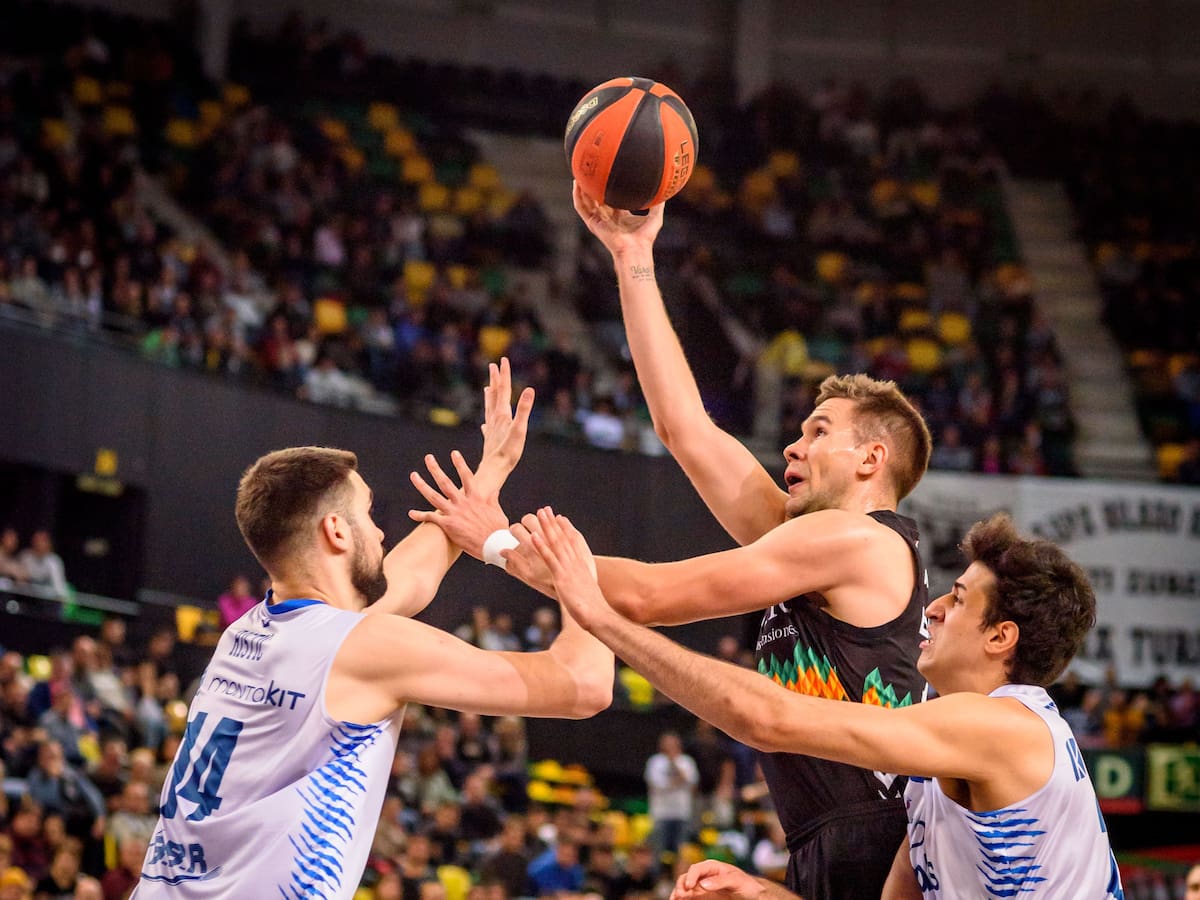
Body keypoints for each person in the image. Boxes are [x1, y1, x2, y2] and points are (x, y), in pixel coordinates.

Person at [412, 189, 933, 900]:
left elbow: (649, 597)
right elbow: (683, 427)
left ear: (872, 459)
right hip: (831, 834)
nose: (793, 445)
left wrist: (496, 543)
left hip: (877, 827)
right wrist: (633, 257)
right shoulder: (814, 542)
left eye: (818, 431)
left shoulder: (853, 539)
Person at [130, 362, 614, 899]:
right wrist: (580, 580)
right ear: (336, 531)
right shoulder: (364, 647)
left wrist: (493, 467)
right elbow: (585, 686)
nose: (382, 532)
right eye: (369, 513)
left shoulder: (250, 631)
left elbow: (408, 577)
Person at [514, 510, 1123, 900]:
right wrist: (762, 893)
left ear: (1000, 637)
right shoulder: (933, 778)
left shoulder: (1007, 726)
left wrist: (599, 616)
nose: (934, 608)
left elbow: (771, 718)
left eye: (959, 600)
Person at [644, 731, 699, 859]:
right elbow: (657, 785)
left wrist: (674, 763)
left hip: (682, 813)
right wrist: (678, 782)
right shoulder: (655, 761)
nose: (670, 746)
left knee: (682, 852)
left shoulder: (686, 761)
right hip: (661, 813)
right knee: (657, 851)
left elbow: (692, 782)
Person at [19, 531, 68, 599]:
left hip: (48, 599)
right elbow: (20, 578)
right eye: (36, 540)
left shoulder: (54, 561)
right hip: (28, 596)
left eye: (42, 541)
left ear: (48, 543)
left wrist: (61, 597)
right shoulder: (26, 556)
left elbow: (59, 586)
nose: (39, 543)